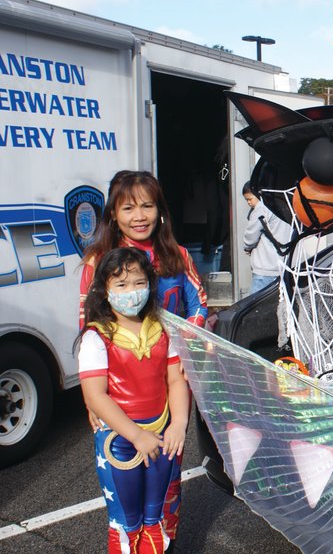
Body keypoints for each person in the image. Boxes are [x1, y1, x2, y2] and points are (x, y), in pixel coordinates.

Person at [79, 170, 207, 549]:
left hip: (169, 380)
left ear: (160, 210)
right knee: (126, 510)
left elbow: (199, 305)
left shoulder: (177, 256)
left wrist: (182, 346)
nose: (139, 215)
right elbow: (88, 321)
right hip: (118, 396)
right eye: (128, 207)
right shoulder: (99, 261)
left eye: (147, 205)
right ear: (113, 215)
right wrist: (90, 398)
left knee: (164, 497)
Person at [77, 247, 190, 554]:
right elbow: (95, 395)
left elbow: (176, 380)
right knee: (126, 523)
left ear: (150, 285)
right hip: (119, 442)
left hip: (163, 438)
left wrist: (178, 424)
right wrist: (136, 435)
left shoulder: (163, 328)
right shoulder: (96, 337)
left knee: (155, 519)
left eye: (139, 283)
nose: (132, 292)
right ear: (105, 290)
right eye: (122, 285)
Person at [242, 182, 292, 294]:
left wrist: (247, 247)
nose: (249, 203)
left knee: (257, 309)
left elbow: (251, 236)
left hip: (265, 269)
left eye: (250, 199)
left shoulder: (261, 208)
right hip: (284, 266)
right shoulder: (284, 203)